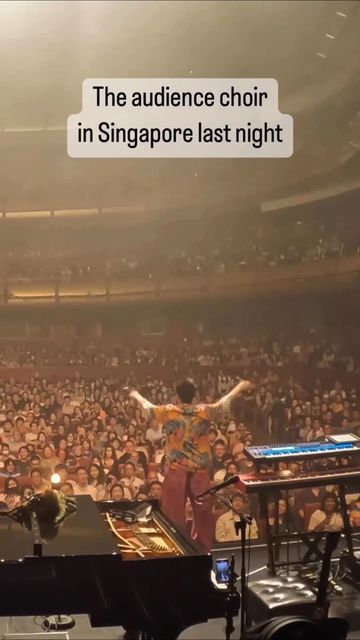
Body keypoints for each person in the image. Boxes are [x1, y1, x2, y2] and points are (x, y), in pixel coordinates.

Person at [130, 377, 252, 550]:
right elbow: (225, 402)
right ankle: (203, 552)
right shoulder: (204, 411)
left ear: (177, 396)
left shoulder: (168, 411)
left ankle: (174, 550)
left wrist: (135, 395)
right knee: (203, 516)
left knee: (172, 515)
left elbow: (146, 406)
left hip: (175, 471)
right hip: (200, 472)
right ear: (194, 396)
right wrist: (240, 386)